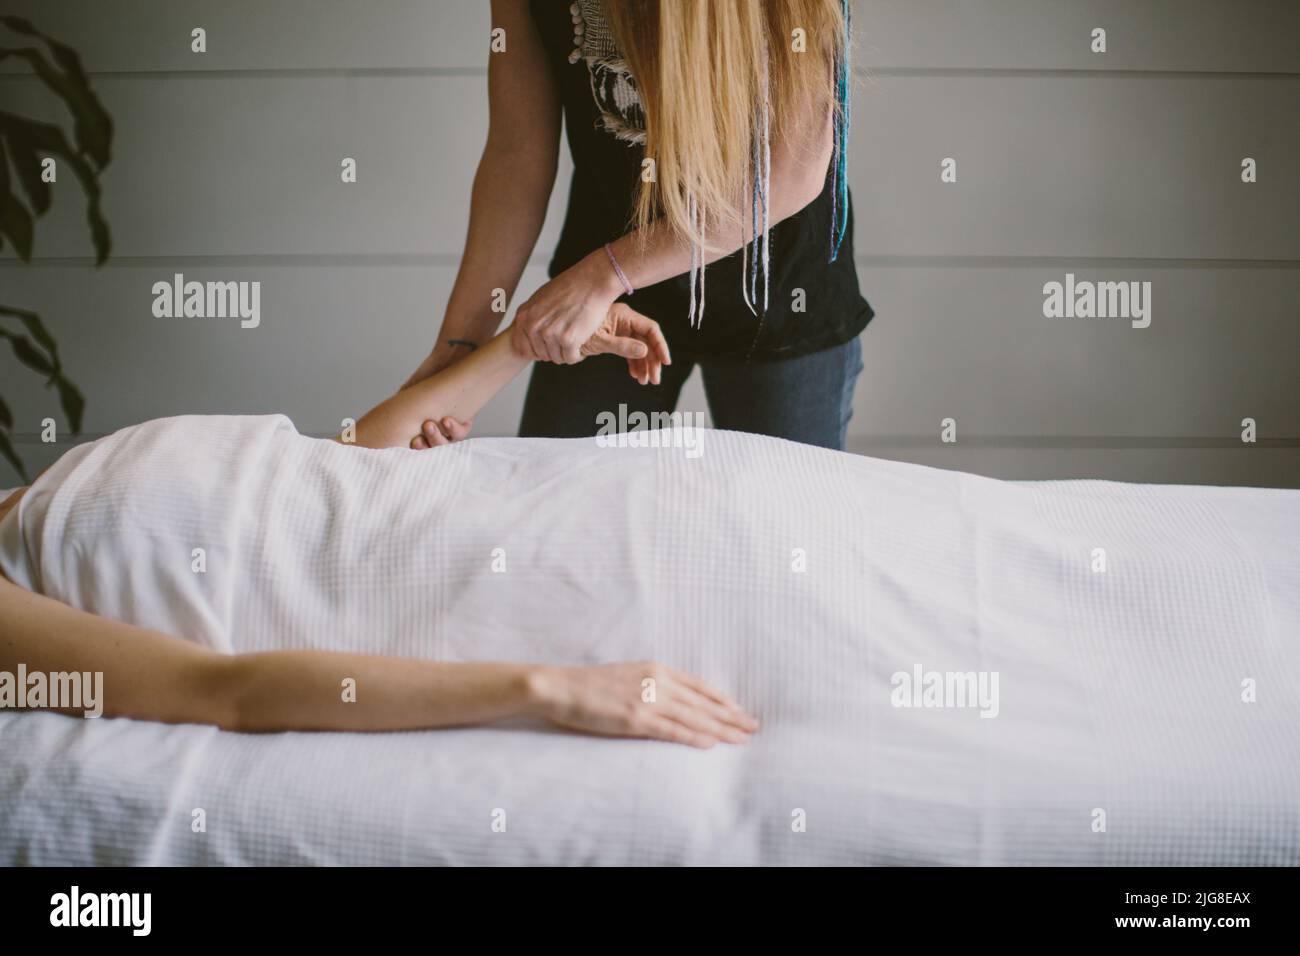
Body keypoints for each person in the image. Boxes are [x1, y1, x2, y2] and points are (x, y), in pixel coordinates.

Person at [0, 307, 757, 749]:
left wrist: (523, 341)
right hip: (442, 575)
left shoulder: (30, 494)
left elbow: (338, 468)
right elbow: (224, 693)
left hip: (460, 501)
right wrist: (549, 688)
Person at [404, 0, 871, 453]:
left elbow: (792, 171)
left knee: (786, 523)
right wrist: (461, 344)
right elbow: (516, 153)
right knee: (565, 504)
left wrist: (602, 275)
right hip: (606, 293)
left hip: (778, 288)